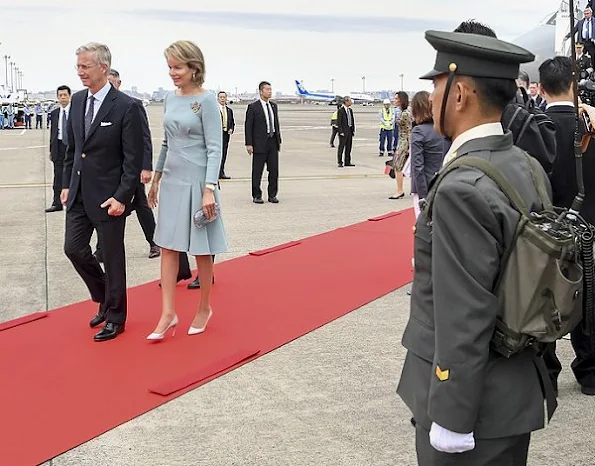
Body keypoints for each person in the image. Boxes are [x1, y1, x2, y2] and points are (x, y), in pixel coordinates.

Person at [397, 30, 553, 465]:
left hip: (474, 407)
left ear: (460, 93)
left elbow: (464, 311)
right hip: (513, 388)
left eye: (437, 86)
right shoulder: (525, 164)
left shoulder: (462, 187)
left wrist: (451, 417)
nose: (432, 94)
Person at [61, 42, 144, 342]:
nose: (79, 71)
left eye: (85, 66)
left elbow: (132, 160)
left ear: (103, 68)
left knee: (112, 255)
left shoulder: (127, 106)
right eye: (78, 66)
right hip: (80, 194)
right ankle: (106, 295)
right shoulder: (78, 101)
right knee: (73, 249)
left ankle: (116, 317)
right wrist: (67, 185)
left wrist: (122, 196)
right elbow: (73, 150)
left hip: (110, 198)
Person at [147, 40, 228, 339]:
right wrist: (156, 180)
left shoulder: (206, 101)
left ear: (195, 67)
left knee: (201, 251)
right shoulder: (170, 98)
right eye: (169, 67)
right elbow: (166, 142)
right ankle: (168, 313)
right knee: (168, 246)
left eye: (177, 67)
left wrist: (209, 188)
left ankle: (204, 307)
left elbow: (214, 149)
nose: (172, 73)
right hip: (171, 181)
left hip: (197, 182)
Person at [93, 68, 160, 261]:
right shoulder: (99, 107)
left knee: (141, 205)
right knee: (105, 207)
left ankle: (154, 242)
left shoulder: (132, 105)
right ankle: (102, 248)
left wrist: (145, 166)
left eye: (113, 82)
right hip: (109, 170)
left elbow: (144, 138)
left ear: (119, 83)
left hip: (131, 170)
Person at [409, 90, 446, 217]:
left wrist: (423, 196)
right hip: (443, 185)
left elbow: (417, 167)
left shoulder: (418, 132)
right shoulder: (443, 129)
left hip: (425, 186)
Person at [245, 81, 282, 203]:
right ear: (261, 91)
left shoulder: (273, 106)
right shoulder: (253, 107)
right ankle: (257, 195)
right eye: (268, 89)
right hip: (259, 143)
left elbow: (276, 123)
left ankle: (272, 195)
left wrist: (278, 140)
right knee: (257, 170)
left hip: (272, 142)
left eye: (271, 89)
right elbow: (248, 126)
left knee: (274, 170)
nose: (270, 91)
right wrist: (249, 143)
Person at [46, 85, 71, 213]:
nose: (62, 98)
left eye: (64, 95)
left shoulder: (76, 112)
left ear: (69, 96)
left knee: (74, 175)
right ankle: (57, 203)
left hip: (72, 147)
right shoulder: (55, 113)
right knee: (58, 176)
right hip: (59, 147)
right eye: (60, 95)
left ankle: (74, 203)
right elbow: (53, 133)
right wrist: (52, 150)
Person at [390, 91, 412, 199]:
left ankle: (400, 190)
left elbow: (409, 130)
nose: (394, 101)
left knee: (398, 166)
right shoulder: (404, 112)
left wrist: (409, 146)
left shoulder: (405, 114)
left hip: (404, 142)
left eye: (396, 99)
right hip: (403, 141)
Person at [218, 90, 234, 180]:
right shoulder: (215, 110)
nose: (222, 99)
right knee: (217, 154)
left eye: (224, 97)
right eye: (221, 97)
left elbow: (232, 122)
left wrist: (231, 129)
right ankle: (215, 173)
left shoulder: (229, 110)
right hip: (217, 135)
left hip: (225, 135)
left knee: (224, 154)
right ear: (218, 98)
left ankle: (221, 172)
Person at [336, 96, 355, 167]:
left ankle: (347, 162)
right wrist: (340, 131)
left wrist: (353, 130)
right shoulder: (341, 110)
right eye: (350, 101)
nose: (351, 102)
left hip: (349, 131)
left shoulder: (350, 110)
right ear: (346, 102)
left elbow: (352, 121)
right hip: (343, 132)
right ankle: (340, 162)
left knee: (349, 147)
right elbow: (339, 122)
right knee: (341, 147)